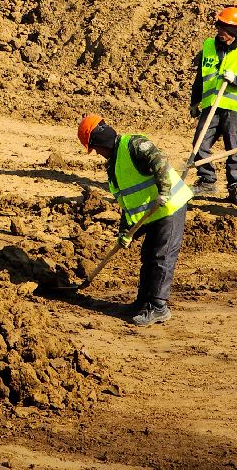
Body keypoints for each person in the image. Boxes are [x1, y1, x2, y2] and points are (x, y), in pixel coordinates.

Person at [77, 113, 192, 326]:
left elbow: (160, 161)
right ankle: (143, 301)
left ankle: (158, 307)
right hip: (154, 213)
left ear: (99, 140)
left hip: (171, 204)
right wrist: (125, 231)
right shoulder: (113, 168)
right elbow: (128, 203)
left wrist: (164, 191)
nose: (98, 154)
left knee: (161, 256)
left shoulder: (133, 144)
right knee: (148, 256)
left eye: (95, 149)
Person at [189, 6, 237, 205]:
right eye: (219, 27)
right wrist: (194, 101)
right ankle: (207, 180)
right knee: (199, 143)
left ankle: (235, 187)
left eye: (225, 28)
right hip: (210, 105)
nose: (220, 32)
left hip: (233, 108)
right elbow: (200, 77)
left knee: (234, 148)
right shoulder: (208, 46)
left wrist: (236, 79)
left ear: (235, 31)